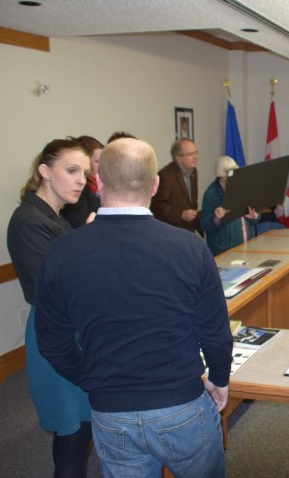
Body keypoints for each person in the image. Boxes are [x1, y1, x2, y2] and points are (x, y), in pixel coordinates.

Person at [34, 138, 232, 478]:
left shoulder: (61, 253)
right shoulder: (189, 248)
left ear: (98, 185)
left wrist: (91, 377)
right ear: (154, 185)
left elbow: (52, 341)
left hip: (110, 413)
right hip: (181, 404)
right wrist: (219, 377)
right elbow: (214, 331)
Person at [6, 138, 93, 478]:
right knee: (71, 432)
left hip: (73, 328)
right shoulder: (29, 220)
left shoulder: (55, 217)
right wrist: (85, 243)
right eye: (71, 170)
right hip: (54, 332)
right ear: (44, 171)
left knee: (79, 428)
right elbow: (54, 286)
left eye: (84, 173)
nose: (80, 180)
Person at [200, 155, 260, 256]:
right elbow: (204, 224)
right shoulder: (211, 194)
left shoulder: (243, 187)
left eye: (234, 171)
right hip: (225, 250)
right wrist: (216, 218)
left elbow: (257, 212)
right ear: (220, 174)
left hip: (248, 245)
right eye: (228, 173)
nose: (232, 175)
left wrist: (254, 216)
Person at [150, 138, 201, 234]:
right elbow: (156, 206)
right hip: (172, 229)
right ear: (178, 158)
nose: (195, 157)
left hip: (189, 227)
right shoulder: (166, 175)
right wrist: (180, 214)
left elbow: (192, 202)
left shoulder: (194, 172)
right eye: (190, 154)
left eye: (196, 152)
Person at [61, 135, 103, 229]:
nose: (103, 165)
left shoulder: (96, 188)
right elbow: (80, 227)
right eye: (97, 161)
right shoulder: (78, 192)